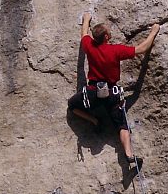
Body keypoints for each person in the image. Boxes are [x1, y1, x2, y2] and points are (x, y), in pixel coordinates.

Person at [68, 12, 160, 176]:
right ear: (106, 37)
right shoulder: (115, 50)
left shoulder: (89, 45)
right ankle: (129, 155)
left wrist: (86, 19)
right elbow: (141, 49)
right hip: (112, 94)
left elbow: (84, 34)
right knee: (122, 125)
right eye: (108, 32)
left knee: (72, 105)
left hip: (93, 93)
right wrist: (154, 31)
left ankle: (94, 120)